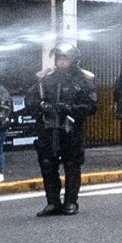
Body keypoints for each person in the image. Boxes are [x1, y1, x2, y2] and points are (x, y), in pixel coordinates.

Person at [28, 41, 97, 216]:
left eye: (65, 58)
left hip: (70, 129)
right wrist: (42, 107)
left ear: (73, 60)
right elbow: (31, 100)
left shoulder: (84, 80)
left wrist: (70, 108)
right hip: (49, 129)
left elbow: (91, 106)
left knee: (72, 165)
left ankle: (71, 202)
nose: (61, 61)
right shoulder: (46, 78)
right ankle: (52, 202)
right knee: (47, 165)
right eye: (58, 58)